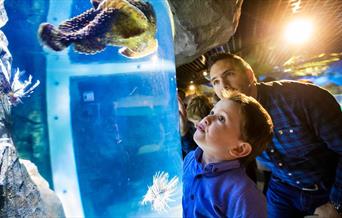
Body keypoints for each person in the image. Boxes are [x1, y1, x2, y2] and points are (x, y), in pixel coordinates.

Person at [208, 52, 342, 218]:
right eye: (215, 82)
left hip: (327, 187)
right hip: (281, 187)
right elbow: (211, 151)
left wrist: (336, 203)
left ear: (250, 75)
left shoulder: (304, 98)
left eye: (229, 74)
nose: (224, 86)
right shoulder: (229, 117)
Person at [182, 91, 273, 218]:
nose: (207, 119)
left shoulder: (244, 195)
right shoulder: (189, 159)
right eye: (212, 112)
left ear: (239, 149)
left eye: (221, 118)